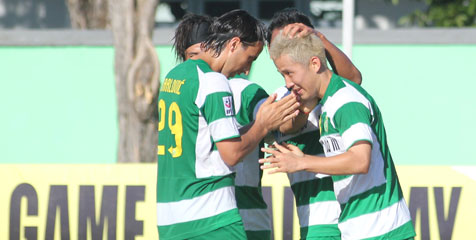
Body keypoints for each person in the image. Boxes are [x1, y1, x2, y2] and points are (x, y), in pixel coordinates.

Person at [157, 10, 299, 240]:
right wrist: (262, 124)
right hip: (210, 218)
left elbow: (206, 144)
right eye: (250, 58)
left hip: (170, 219)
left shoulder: (174, 77)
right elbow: (231, 154)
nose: (245, 69)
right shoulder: (213, 81)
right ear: (234, 44)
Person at [261, 31, 416, 239]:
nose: (288, 83)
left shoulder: (346, 100)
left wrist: (302, 162)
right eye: (283, 76)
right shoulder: (328, 103)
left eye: (290, 73)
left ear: (315, 64)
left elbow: (361, 160)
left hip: (384, 231)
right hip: (359, 230)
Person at [267, 8, 362, 240]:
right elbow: (290, 125)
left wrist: (320, 38)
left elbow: (355, 80)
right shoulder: (283, 96)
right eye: (278, 44)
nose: (285, 48)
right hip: (317, 224)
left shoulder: (339, 94)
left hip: (354, 218)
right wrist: (303, 100)